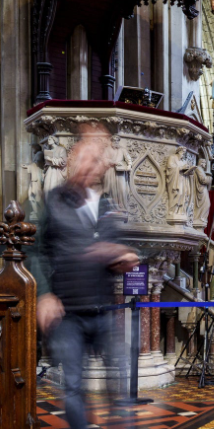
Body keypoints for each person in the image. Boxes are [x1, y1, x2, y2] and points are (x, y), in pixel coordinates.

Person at [30, 129, 140, 429]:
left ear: (102, 166)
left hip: (103, 310)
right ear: (73, 161)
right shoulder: (55, 200)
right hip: (68, 314)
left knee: (119, 386)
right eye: (83, 159)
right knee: (74, 388)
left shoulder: (107, 207)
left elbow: (118, 248)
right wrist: (44, 294)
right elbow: (36, 250)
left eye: (94, 160)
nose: (88, 166)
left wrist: (124, 257)